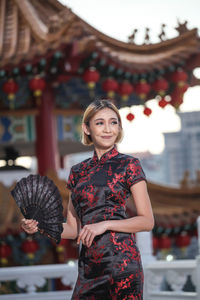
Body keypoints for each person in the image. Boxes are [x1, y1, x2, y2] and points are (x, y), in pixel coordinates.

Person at [21, 99, 154, 299]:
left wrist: (105, 225)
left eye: (113, 122)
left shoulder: (129, 164)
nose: (108, 129)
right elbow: (73, 229)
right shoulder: (77, 172)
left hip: (122, 264)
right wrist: (40, 225)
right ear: (87, 128)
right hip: (89, 268)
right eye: (100, 123)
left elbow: (147, 221)